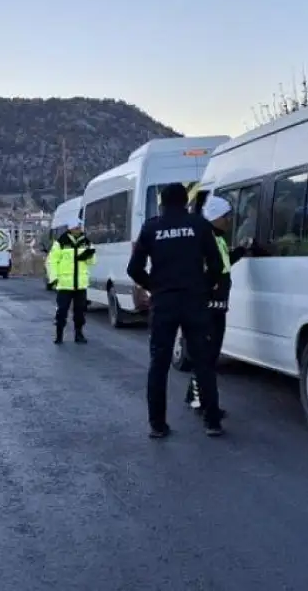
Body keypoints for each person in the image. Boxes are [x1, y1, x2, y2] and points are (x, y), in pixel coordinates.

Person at [127, 182, 226, 438]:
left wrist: (155, 287)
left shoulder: (151, 227)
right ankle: (212, 421)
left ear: (162, 202)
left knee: (159, 364)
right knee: (203, 363)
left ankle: (157, 425)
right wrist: (203, 287)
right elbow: (216, 265)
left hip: (164, 304)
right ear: (185, 201)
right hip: (195, 302)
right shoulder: (199, 225)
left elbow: (133, 269)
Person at [184, 195, 253, 416]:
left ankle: (193, 397)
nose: (229, 221)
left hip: (217, 306)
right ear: (215, 218)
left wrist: (241, 250)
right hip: (208, 308)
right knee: (207, 358)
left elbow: (222, 264)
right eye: (226, 217)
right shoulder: (206, 239)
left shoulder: (218, 238)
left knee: (206, 357)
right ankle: (202, 404)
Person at [47, 217, 96, 344]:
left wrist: (89, 255)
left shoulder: (86, 242)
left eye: (80, 227)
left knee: (80, 311)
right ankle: (59, 335)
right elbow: (52, 261)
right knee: (62, 310)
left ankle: (79, 334)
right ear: (70, 228)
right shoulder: (61, 242)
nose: (78, 229)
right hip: (64, 284)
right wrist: (53, 279)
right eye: (76, 227)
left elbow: (92, 262)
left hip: (80, 284)